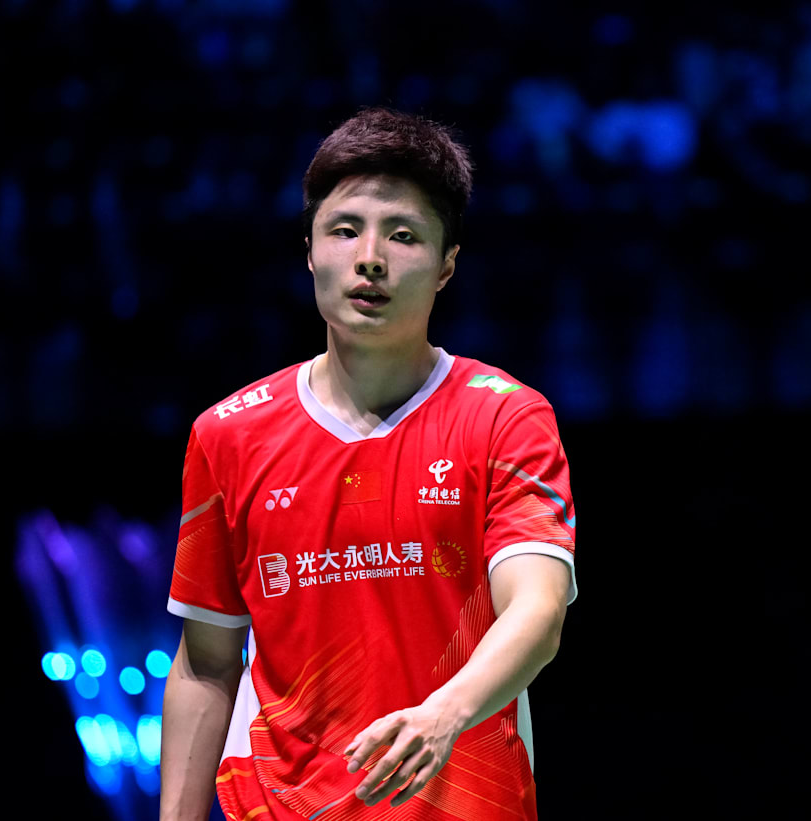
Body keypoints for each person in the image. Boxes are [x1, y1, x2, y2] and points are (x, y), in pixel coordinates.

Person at [159, 106, 577, 821]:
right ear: (310, 251)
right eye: (345, 230)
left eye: (403, 235)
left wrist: (443, 714)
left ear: (447, 265)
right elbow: (206, 660)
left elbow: (537, 610)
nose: (371, 257)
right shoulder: (228, 435)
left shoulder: (505, 417)